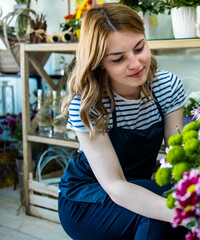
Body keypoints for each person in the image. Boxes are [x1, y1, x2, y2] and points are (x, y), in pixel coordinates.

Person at [58, 3, 188, 239]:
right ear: (99, 64)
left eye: (139, 48)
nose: (136, 64)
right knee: (159, 221)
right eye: (118, 59)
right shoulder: (89, 105)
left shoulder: (167, 87)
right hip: (89, 197)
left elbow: (178, 156)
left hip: (136, 184)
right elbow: (116, 186)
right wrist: (187, 214)